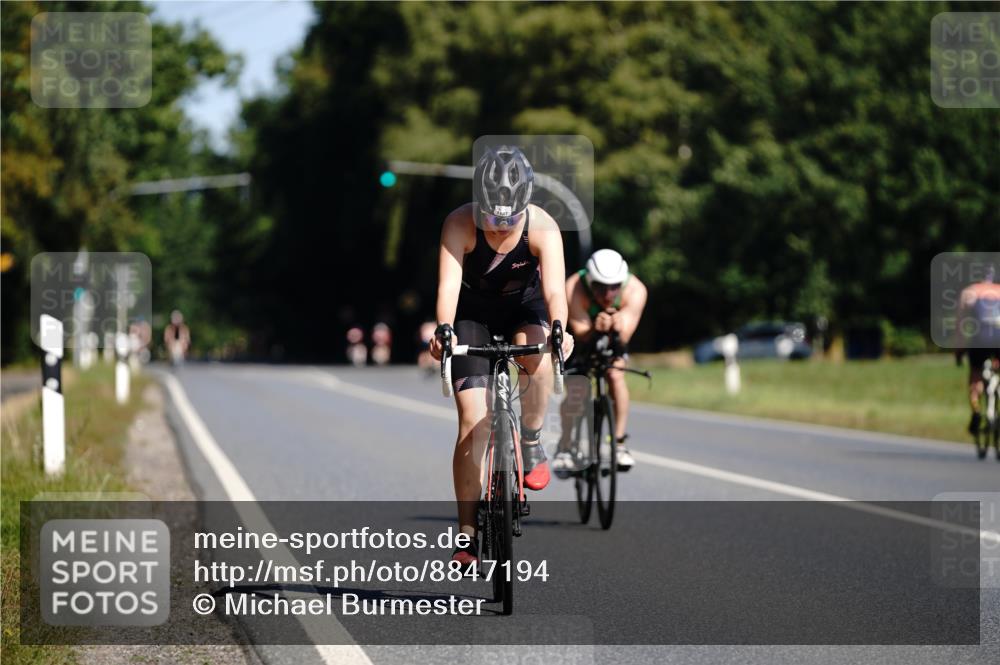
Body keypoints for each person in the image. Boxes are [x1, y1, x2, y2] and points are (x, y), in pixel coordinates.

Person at [429, 146, 574, 569]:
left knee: (541, 360)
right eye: (492, 217)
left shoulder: (544, 228)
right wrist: (444, 330)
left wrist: (560, 329)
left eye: (509, 219)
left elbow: (554, 294)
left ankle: (530, 438)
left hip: (524, 309)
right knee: (473, 422)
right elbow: (448, 289)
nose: (499, 227)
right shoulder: (459, 223)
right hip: (473, 315)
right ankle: (467, 532)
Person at [553, 249, 647, 476]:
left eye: (614, 286)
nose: (607, 293)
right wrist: (596, 326)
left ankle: (619, 442)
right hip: (581, 339)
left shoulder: (636, 291)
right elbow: (582, 332)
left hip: (613, 342)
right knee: (577, 389)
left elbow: (623, 339)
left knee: (615, 375)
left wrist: (617, 325)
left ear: (622, 282)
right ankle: (565, 445)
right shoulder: (574, 287)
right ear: (589, 280)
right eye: (600, 287)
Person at [955, 266, 1000, 435]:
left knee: (975, 375)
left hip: (980, 337)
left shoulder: (969, 292)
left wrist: (958, 351)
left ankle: (976, 410)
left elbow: (959, 325)